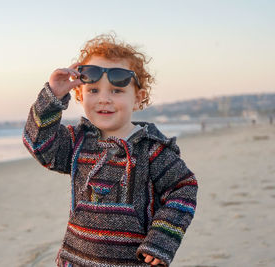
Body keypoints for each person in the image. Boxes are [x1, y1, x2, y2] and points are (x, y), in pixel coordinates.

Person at [23, 34, 198, 267]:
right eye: (93, 91)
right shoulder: (77, 143)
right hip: (75, 259)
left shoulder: (152, 150)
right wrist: (53, 96)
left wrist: (162, 239)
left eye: (116, 91)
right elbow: (38, 144)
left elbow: (183, 188)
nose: (104, 99)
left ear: (138, 98)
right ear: (79, 95)